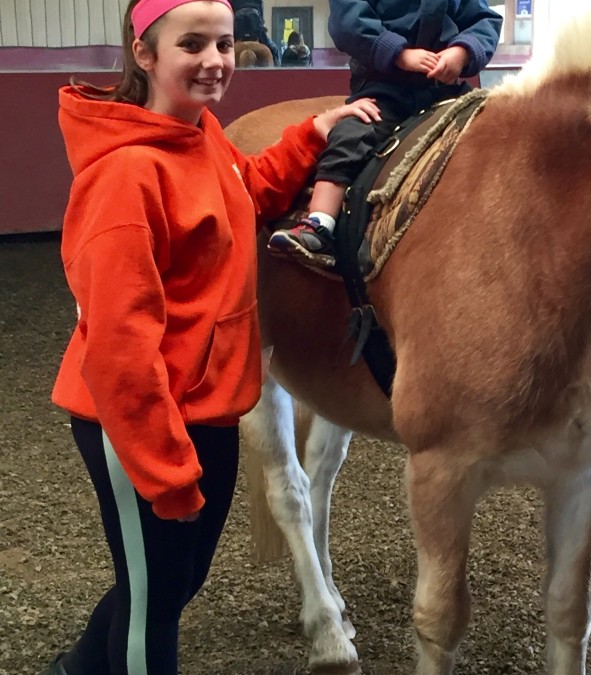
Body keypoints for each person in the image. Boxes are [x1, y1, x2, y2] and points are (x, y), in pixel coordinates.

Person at [43, 1, 378, 673]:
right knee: (155, 600)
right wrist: (163, 467)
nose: (214, 60)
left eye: (223, 43)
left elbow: (243, 188)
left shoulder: (202, 137)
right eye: (191, 44)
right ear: (145, 54)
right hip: (140, 417)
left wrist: (313, 132)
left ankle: (77, 667)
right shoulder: (124, 175)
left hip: (207, 407)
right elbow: (119, 344)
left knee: (178, 580)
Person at [267, 0, 503, 266]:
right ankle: (319, 222)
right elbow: (348, 21)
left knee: (492, 130)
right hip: (384, 86)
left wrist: (462, 51)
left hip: (442, 88)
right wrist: (398, 53)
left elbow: (484, 19)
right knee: (352, 134)